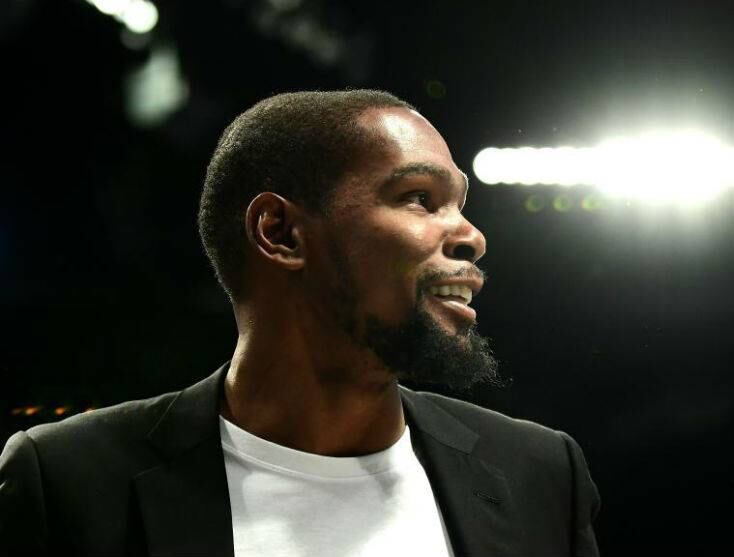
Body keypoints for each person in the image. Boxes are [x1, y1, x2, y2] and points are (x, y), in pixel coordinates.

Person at [0, 90, 600, 556]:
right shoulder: (70, 483)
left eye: (460, 205)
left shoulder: (540, 474)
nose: (472, 237)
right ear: (280, 233)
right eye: (420, 198)